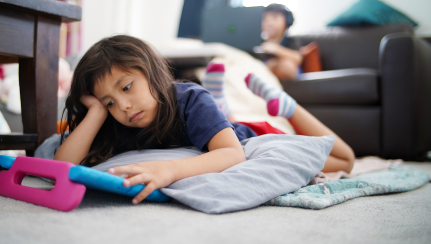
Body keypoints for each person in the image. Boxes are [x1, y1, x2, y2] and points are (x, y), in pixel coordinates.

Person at [54, 35, 354, 205]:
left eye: (127, 87)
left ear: (151, 71)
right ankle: (221, 106)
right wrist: (96, 113)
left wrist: (169, 170)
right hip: (216, 126)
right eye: (109, 102)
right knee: (213, 119)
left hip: (249, 136)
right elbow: (60, 167)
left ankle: (287, 107)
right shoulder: (117, 120)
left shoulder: (188, 98)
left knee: (345, 159)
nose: (123, 106)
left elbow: (233, 153)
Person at [259, 3, 303, 80]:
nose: (269, 23)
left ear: (287, 21)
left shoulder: (290, 41)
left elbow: (298, 58)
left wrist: (277, 49)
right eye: (265, 19)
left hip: (285, 73)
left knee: (287, 65)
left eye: (275, 18)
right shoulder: (259, 42)